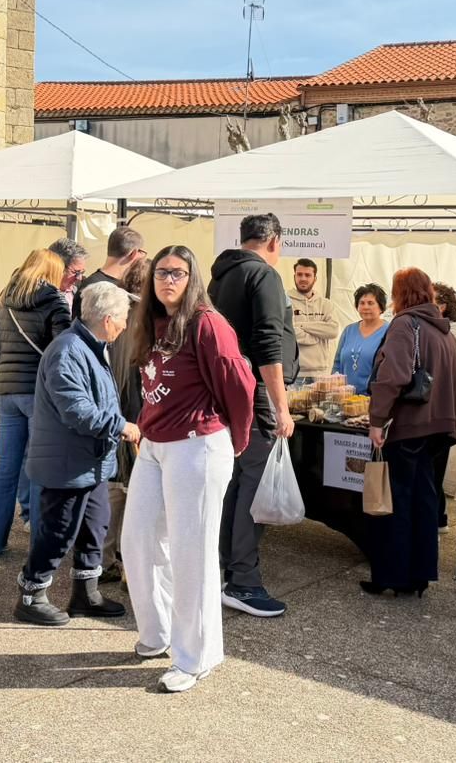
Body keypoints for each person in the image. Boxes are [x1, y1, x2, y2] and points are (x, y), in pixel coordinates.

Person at [123, 245, 256, 692]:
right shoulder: (150, 323)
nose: (168, 281)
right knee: (138, 540)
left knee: (191, 551)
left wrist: (236, 439)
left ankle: (196, 656)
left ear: (192, 278)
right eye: (161, 273)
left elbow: (240, 383)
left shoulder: (207, 323)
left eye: (178, 273)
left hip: (197, 445)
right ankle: (158, 632)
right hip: (156, 446)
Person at [14, 282, 140, 626]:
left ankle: (85, 594)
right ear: (108, 319)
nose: (127, 325)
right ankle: (31, 595)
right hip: (67, 465)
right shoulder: (69, 351)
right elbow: (76, 411)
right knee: (57, 532)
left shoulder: (92, 346)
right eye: (124, 318)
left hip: (89, 464)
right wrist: (121, 425)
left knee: (94, 528)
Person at [208, 213, 298, 617]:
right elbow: (267, 343)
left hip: (229, 393)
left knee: (237, 484)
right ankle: (243, 581)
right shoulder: (263, 277)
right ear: (274, 241)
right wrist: (281, 406)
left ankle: (225, 572)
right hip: (256, 394)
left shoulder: (221, 276)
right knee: (254, 488)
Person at [365, 269, 456, 597]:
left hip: (407, 427)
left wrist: (376, 421)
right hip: (437, 428)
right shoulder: (445, 332)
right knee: (424, 500)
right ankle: (419, 575)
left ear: (400, 293)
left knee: (397, 502)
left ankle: (391, 576)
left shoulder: (406, 324)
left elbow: (392, 376)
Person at [0, 249, 71, 557]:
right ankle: (39, 548)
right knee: (39, 468)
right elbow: (62, 351)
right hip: (37, 394)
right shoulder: (55, 301)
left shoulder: (4, 297)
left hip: (4, 393)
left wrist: (6, 367)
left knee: (5, 468)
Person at [103, 256, 151, 582]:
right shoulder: (144, 321)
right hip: (134, 418)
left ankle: (101, 560)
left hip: (111, 415)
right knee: (133, 494)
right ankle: (125, 565)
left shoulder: (111, 313)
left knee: (112, 492)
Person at [432, 281, 456, 530]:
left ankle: (438, 519)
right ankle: (438, 518)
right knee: (431, 468)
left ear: (443, 306)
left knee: (434, 468)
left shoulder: (455, 333)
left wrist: (435, 383)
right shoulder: (434, 330)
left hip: (442, 410)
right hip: (432, 409)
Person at [73, 225, 145, 319]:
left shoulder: (90, 284)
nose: (143, 256)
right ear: (133, 253)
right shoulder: (96, 288)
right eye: (141, 252)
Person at [333, 284, 390, 394]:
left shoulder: (389, 331)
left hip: (374, 398)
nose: (365, 307)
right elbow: (337, 363)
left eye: (370, 303)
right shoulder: (349, 330)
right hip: (346, 398)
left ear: (381, 307)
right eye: (362, 303)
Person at [290, 258, 340, 377]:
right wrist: (317, 336)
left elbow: (333, 331)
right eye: (299, 274)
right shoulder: (284, 302)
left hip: (321, 373)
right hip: (295, 373)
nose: (303, 278)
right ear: (294, 276)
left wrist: (301, 325)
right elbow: (288, 332)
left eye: (308, 275)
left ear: (315, 278)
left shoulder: (326, 304)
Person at [49, 236, 90, 303]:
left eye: (82, 272)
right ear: (57, 267)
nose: (79, 278)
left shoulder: (77, 293)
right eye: (76, 272)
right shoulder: (38, 298)